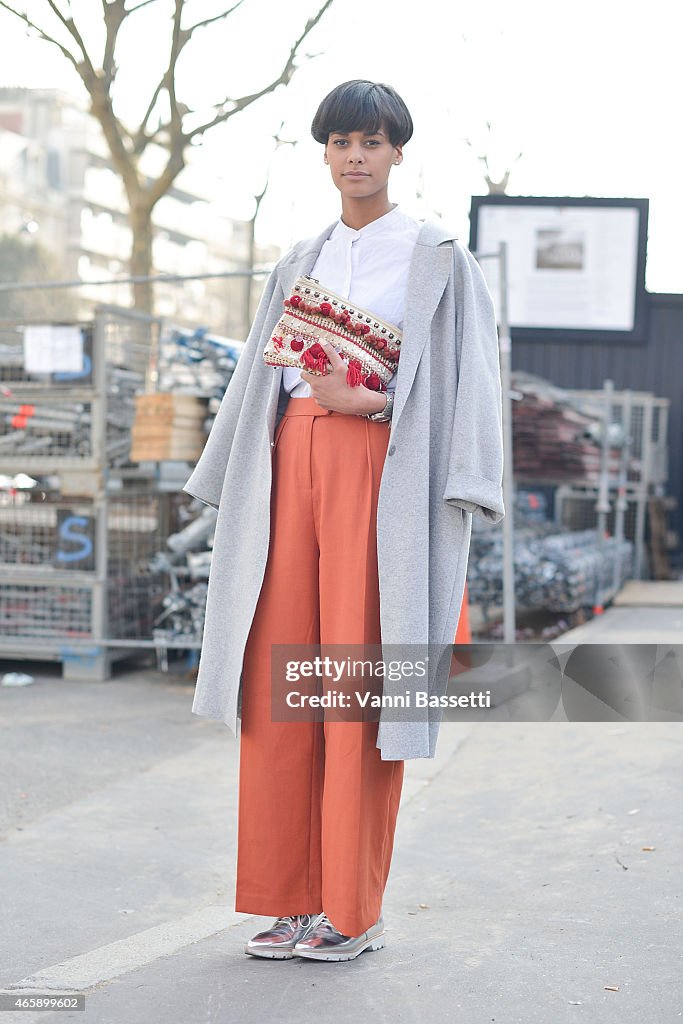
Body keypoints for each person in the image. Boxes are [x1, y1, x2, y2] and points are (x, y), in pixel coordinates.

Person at [182, 79, 505, 963]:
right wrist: (226, 472)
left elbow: (469, 382)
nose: (354, 156)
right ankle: (288, 899)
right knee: (278, 684)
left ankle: (348, 911)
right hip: (288, 464)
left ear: (397, 150)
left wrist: (374, 403)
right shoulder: (300, 256)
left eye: (370, 141)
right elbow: (257, 375)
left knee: (357, 685)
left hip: (379, 466)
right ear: (323, 154)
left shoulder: (437, 255)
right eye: (338, 143)